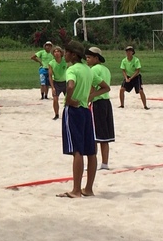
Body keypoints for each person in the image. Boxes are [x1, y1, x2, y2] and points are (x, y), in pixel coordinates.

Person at [57, 42, 95, 198]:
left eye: (66, 52)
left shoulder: (72, 69)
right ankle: (89, 189)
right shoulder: (88, 70)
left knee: (77, 151)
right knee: (91, 152)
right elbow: (103, 86)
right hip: (86, 111)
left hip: (74, 111)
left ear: (73, 54)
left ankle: (76, 190)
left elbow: (70, 85)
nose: (64, 54)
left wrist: (69, 100)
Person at [87, 47, 115, 171]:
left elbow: (92, 88)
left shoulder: (93, 70)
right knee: (105, 136)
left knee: (94, 135)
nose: (87, 60)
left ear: (96, 58)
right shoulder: (106, 70)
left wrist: (89, 98)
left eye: (89, 57)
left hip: (97, 103)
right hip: (106, 103)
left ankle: (92, 163)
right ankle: (105, 163)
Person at [118, 45, 149, 109]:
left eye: (130, 51)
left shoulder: (136, 60)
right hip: (128, 77)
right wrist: (126, 78)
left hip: (136, 77)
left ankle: (145, 106)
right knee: (122, 89)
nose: (128, 52)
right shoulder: (124, 61)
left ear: (132, 52)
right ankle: (122, 105)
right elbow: (123, 70)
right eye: (127, 51)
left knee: (140, 91)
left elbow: (137, 70)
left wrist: (131, 78)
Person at [47, 45, 68, 120]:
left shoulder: (65, 61)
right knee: (55, 99)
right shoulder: (51, 63)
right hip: (56, 83)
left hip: (65, 82)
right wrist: (52, 87)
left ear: (61, 53)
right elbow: (50, 75)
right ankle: (56, 114)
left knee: (69, 98)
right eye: (55, 52)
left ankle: (68, 113)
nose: (56, 53)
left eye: (58, 51)